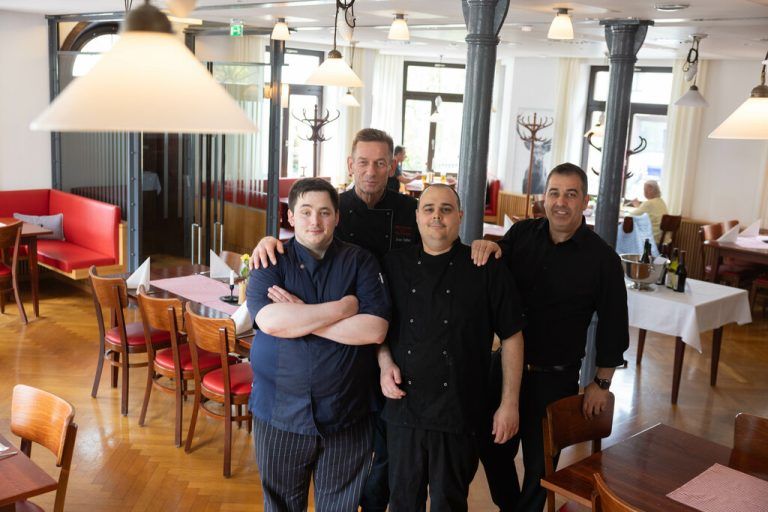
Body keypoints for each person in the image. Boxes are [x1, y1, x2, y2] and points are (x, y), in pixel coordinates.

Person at [250, 128, 419, 512]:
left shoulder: (362, 258)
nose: (315, 220)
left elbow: (374, 327)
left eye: (324, 212)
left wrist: (302, 316)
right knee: (280, 505)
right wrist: (343, 309)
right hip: (280, 412)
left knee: (345, 502)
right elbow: (271, 321)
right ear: (290, 216)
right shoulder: (270, 258)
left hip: (349, 408)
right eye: (305, 212)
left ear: (336, 217)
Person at [472, 163, 629, 512]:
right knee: (491, 447)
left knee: (540, 467)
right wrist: (486, 245)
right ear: (544, 198)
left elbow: (614, 325)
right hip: (505, 370)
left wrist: (600, 384)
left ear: (584, 201)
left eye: (571, 194)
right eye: (554, 193)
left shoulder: (603, 258)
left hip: (555, 378)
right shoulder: (520, 236)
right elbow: (492, 274)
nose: (561, 202)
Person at [379, 184, 525, 512]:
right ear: (417, 216)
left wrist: (509, 404)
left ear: (459, 217)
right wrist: (384, 362)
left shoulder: (484, 266)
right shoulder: (394, 264)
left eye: (446, 209)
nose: (437, 216)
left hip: (460, 409)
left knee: (450, 502)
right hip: (405, 407)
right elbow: (378, 328)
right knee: (402, 502)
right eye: (429, 208)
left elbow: (513, 336)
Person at [627, 180, 668, 244]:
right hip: (663, 240)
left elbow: (630, 216)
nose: (644, 192)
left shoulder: (649, 203)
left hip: (652, 239)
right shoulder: (661, 202)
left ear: (652, 190)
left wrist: (638, 207)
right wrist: (639, 207)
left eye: (646, 190)